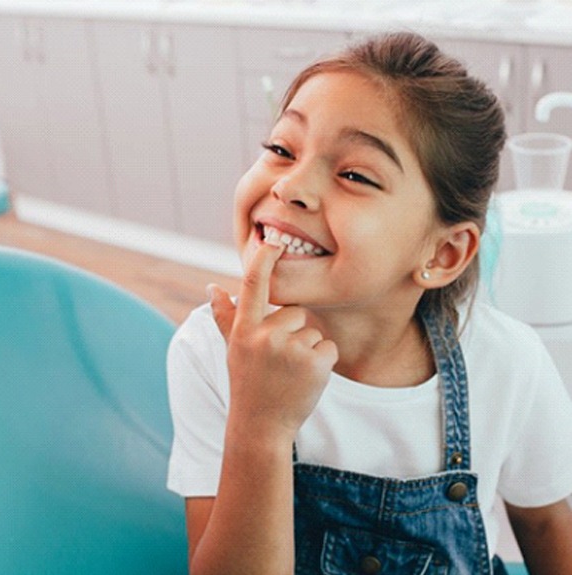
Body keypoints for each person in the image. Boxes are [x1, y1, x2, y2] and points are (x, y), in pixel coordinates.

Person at [166, 32, 572, 574]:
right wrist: (259, 426)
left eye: (354, 175)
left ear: (444, 253)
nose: (289, 186)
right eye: (282, 149)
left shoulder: (509, 363)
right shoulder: (209, 351)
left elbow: (545, 525)